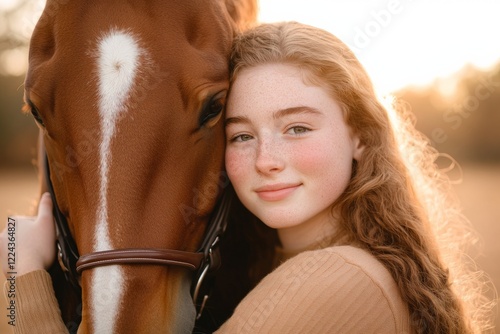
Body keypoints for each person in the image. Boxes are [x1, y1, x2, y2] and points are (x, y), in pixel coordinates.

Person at [1, 21, 494, 333]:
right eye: (240, 136)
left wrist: (14, 272)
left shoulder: (339, 277)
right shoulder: (289, 267)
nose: (267, 159)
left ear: (361, 136)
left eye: (297, 127)